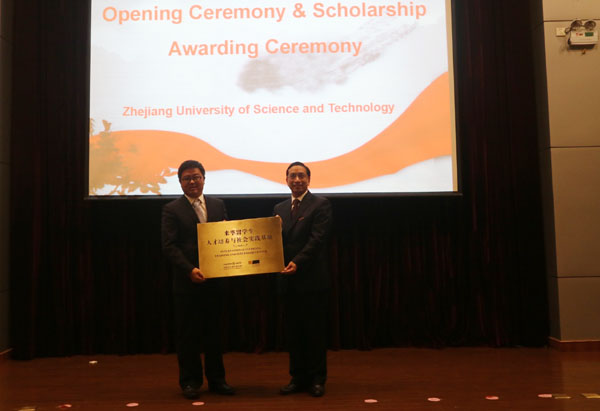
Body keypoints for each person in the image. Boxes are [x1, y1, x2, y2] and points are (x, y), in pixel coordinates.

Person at [161, 160, 235, 399]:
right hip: (187, 282)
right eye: (187, 178)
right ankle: (190, 382)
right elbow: (169, 246)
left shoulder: (217, 204)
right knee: (188, 335)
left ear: (204, 178)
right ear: (180, 182)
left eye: (196, 177)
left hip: (215, 280)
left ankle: (217, 380)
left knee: (215, 333)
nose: (192, 182)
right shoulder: (172, 209)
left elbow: (225, 237)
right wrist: (189, 269)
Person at [274, 161, 333, 397]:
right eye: (292, 176)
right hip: (288, 281)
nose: (297, 180)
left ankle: (317, 379)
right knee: (294, 332)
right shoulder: (279, 208)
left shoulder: (320, 204)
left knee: (314, 332)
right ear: (286, 180)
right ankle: (297, 378)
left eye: (301, 176)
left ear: (309, 179)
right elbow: (273, 241)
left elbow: (317, 240)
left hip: (311, 279)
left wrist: (297, 262)